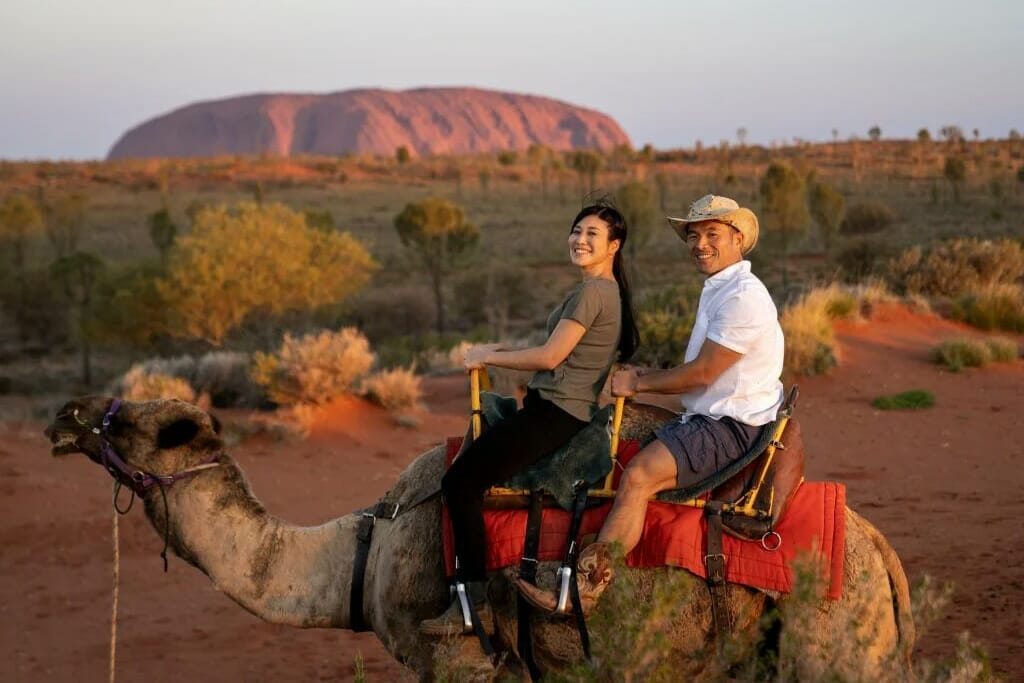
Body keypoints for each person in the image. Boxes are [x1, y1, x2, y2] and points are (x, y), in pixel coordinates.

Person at [517, 194, 784, 613]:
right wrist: (642, 377)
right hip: (708, 414)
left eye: (712, 234)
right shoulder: (721, 288)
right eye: (694, 236)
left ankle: (587, 589)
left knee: (639, 474)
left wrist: (639, 384)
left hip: (727, 426)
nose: (700, 245)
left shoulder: (742, 298)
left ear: (738, 238)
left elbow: (702, 373)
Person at [419, 201, 640, 636]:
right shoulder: (603, 291)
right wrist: (497, 351)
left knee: (459, 484)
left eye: (592, 234)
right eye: (576, 230)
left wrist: (487, 355)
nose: (580, 240)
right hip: (559, 410)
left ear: (613, 246)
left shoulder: (593, 292)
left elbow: (551, 355)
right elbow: (557, 355)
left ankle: (471, 604)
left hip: (555, 414)